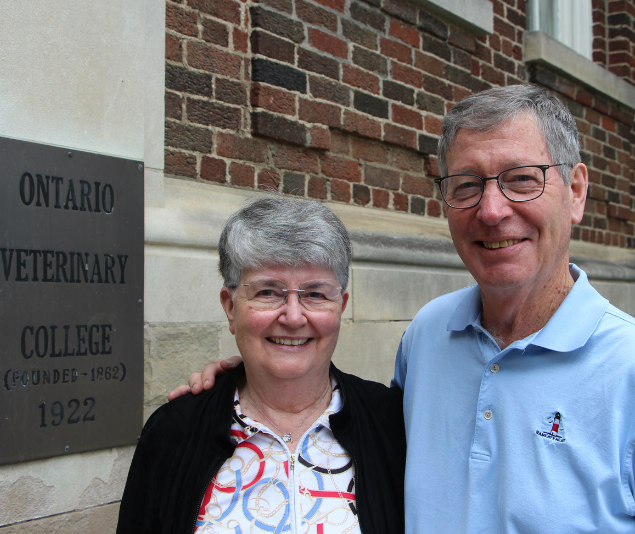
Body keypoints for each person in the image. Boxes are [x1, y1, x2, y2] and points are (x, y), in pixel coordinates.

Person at [171, 84, 635, 533]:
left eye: (521, 180)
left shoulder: (626, 369)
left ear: (575, 191)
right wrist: (254, 375)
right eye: (467, 185)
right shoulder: (430, 336)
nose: (492, 210)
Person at [117, 197, 405, 533]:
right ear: (230, 307)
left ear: (339, 306)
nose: (294, 317)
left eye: (315, 294)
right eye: (268, 292)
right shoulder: (174, 433)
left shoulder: (392, 424)